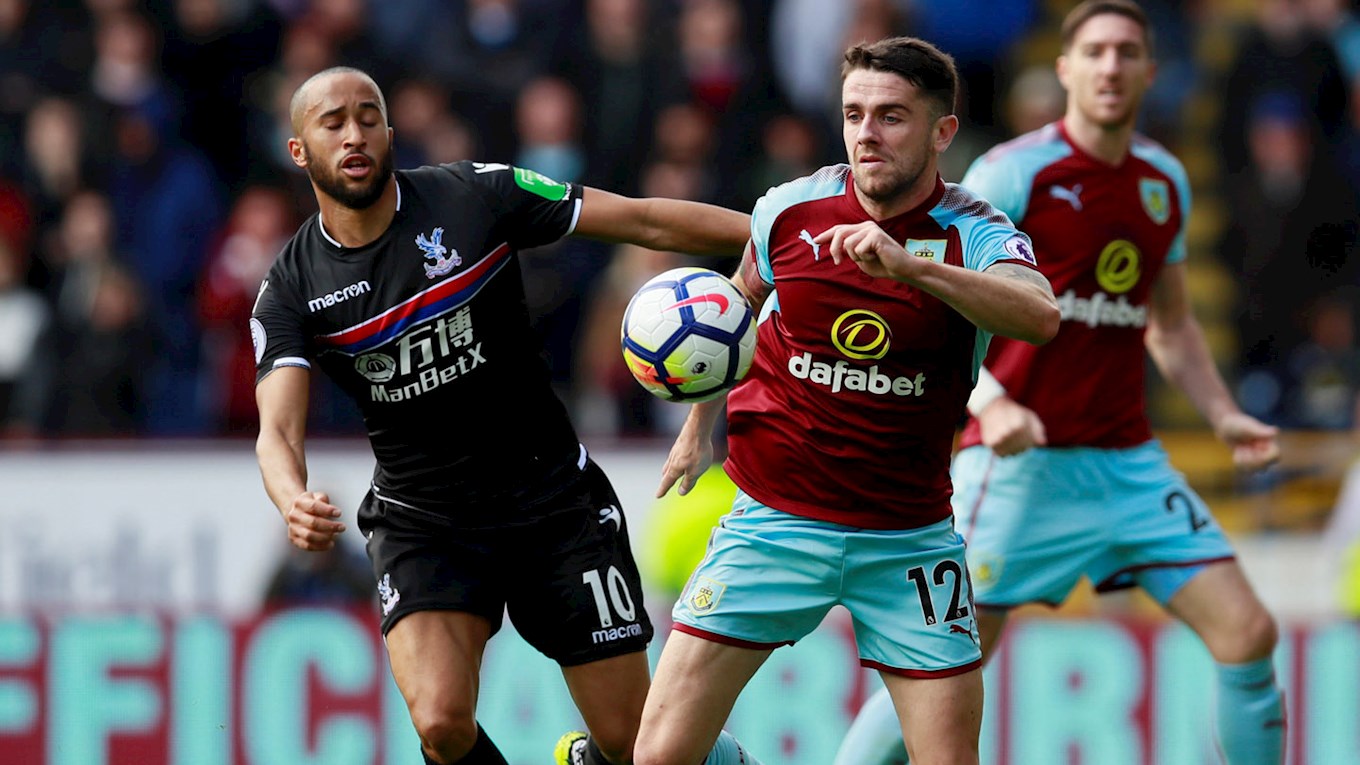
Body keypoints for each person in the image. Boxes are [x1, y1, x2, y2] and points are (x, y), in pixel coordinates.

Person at [250, 67, 754, 765]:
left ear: (391, 133)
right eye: (332, 122)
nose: (354, 133)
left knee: (637, 743)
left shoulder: (472, 196)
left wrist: (780, 232)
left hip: (553, 504)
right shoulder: (291, 288)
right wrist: (290, 496)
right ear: (299, 150)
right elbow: (276, 429)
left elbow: (641, 217)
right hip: (424, 522)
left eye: (368, 116)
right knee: (441, 724)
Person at [833, 4, 1286, 764]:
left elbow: (1167, 323)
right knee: (942, 669)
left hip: (1125, 462)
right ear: (1067, 68)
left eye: (1128, 52)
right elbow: (928, 302)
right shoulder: (1015, 171)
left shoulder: (1162, 181)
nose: (1111, 66)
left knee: (1249, 632)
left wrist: (1223, 413)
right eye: (1096, 52)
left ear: (1150, 70)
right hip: (1017, 468)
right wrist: (991, 399)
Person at [631, 37, 1060, 765]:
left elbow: (1039, 314)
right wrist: (698, 425)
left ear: (941, 131)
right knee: (658, 756)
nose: (867, 133)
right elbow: (732, 310)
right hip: (774, 522)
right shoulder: (788, 212)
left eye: (892, 116)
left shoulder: (975, 233)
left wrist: (914, 271)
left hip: (909, 540)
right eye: (854, 114)